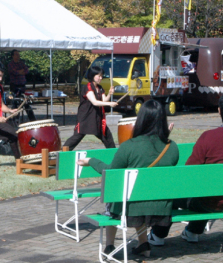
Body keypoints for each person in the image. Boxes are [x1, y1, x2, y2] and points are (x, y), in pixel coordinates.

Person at [77, 99, 179, 257]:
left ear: (141, 119)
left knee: (117, 195)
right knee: (138, 192)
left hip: (131, 208)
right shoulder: (172, 147)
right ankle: (143, 244)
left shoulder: (129, 146)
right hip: (161, 208)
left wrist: (91, 161)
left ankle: (110, 246)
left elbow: (111, 173)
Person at [149, 90, 223, 246]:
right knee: (205, 193)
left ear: (219, 111)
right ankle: (192, 232)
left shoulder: (208, 137)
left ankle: (158, 235)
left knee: (172, 195)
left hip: (209, 201)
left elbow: (190, 172)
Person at [64, 65, 118, 150]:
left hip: (97, 117)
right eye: (99, 76)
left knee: (107, 136)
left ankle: (113, 155)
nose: (101, 78)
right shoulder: (88, 87)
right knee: (77, 137)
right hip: (86, 116)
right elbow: (95, 102)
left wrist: (110, 94)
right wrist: (110, 104)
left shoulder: (100, 88)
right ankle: (63, 153)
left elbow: (104, 101)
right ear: (93, 75)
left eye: (101, 76)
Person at [7, 50, 36, 121]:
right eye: (16, 54)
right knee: (15, 102)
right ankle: (15, 119)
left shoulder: (21, 63)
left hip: (22, 85)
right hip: (14, 86)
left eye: (18, 54)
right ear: (13, 56)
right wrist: (20, 71)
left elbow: (26, 70)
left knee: (25, 101)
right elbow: (14, 72)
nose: (18, 56)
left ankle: (32, 119)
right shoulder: (10, 64)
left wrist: (20, 71)